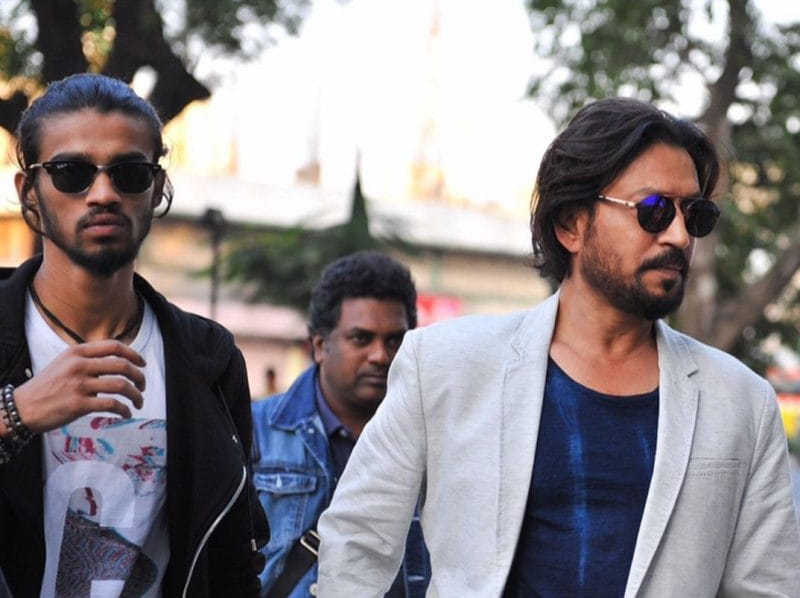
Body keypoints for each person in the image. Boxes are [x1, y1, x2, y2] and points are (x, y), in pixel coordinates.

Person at [316, 98, 800, 596]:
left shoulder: (741, 401)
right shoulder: (444, 365)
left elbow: (767, 588)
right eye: (654, 211)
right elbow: (357, 541)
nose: (679, 235)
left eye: (694, 215)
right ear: (572, 224)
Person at [0, 73, 268, 597]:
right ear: (29, 191)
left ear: (158, 187)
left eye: (130, 173)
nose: (103, 194)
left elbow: (234, 560)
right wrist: (16, 411)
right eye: (71, 173)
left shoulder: (207, 358)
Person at [251, 251, 429, 597]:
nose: (380, 355)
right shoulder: (256, 431)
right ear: (320, 346)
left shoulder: (435, 439)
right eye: (361, 338)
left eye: (395, 340)